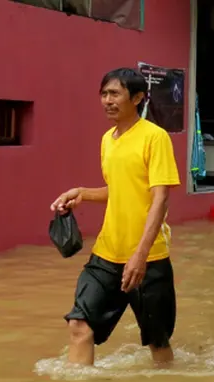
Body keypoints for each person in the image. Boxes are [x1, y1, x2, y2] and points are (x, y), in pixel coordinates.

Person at [50, 68, 181, 366]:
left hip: (148, 257)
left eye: (115, 94)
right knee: (79, 326)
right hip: (107, 253)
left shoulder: (155, 137)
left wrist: (141, 255)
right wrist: (82, 193)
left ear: (137, 98)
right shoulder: (108, 139)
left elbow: (160, 197)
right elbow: (120, 189)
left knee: (157, 342)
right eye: (104, 94)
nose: (107, 101)